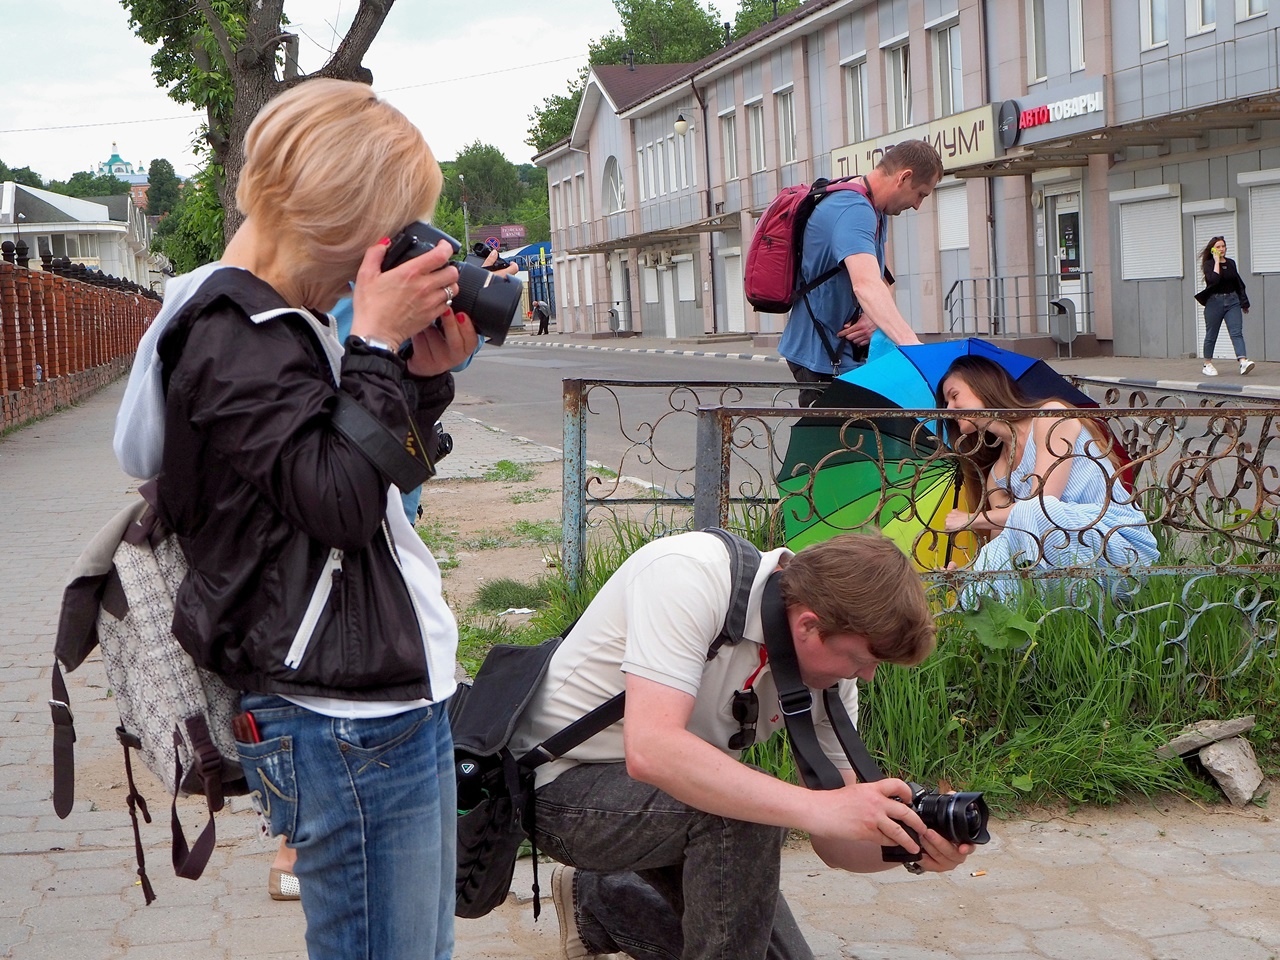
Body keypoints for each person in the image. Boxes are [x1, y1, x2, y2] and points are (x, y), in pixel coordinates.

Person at [113, 79, 477, 959]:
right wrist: (377, 347)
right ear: (335, 213)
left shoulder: (290, 324)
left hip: (384, 701)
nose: (388, 255)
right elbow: (343, 508)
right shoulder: (234, 332)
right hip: (337, 721)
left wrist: (420, 381)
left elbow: (380, 488)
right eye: (385, 230)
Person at [507, 531, 975, 960]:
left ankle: (601, 903)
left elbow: (835, 843)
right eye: (860, 658)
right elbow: (651, 749)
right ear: (809, 625)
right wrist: (815, 808)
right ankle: (608, 888)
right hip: (559, 789)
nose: (867, 675)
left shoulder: (830, 681)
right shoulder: (689, 574)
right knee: (745, 815)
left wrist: (912, 849)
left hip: (679, 808)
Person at [938, 355, 1158, 601]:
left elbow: (1043, 504)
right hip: (1069, 554)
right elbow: (1004, 544)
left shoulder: (1050, 418)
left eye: (954, 396)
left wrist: (972, 519)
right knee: (984, 584)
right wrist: (969, 574)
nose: (948, 409)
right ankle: (982, 605)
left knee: (1035, 510)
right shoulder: (997, 474)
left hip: (1119, 543)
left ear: (983, 385)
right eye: (945, 402)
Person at [777, 141, 943, 406]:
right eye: (920, 194)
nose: (917, 205)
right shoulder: (854, 209)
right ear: (904, 177)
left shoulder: (872, 207)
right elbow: (865, 286)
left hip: (840, 355)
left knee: (861, 441)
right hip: (821, 358)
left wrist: (872, 317)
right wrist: (913, 349)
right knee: (835, 444)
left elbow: (879, 278)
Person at [1195, 236, 1254, 377]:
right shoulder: (1209, 264)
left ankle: (1243, 361)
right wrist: (1216, 261)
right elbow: (1214, 280)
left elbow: (1238, 283)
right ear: (1213, 249)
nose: (1222, 249)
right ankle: (1207, 363)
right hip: (1214, 302)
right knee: (1211, 334)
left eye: (1223, 246)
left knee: (1236, 332)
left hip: (1232, 300)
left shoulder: (1231, 263)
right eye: (1219, 247)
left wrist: (1244, 302)